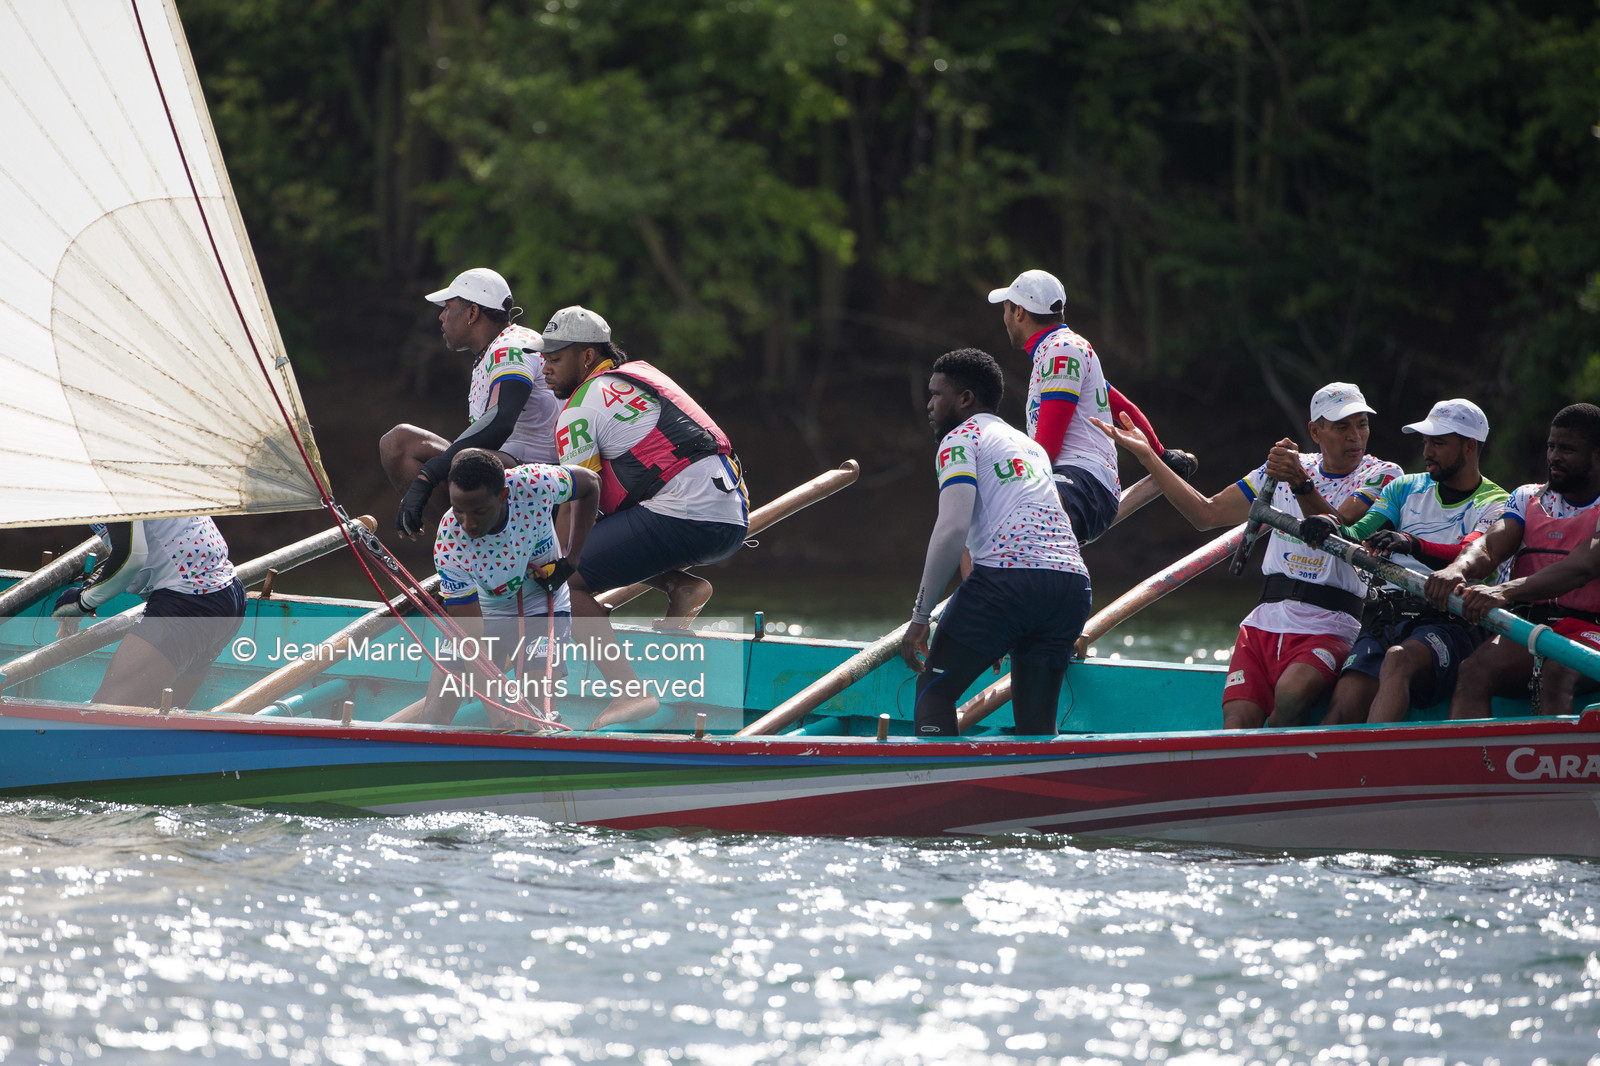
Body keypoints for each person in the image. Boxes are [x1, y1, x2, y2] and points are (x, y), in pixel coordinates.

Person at [1093, 382, 1402, 729]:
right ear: (1315, 431)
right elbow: (1204, 513)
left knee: (1290, 695)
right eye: (1342, 426)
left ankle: (1274, 771)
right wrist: (1148, 456)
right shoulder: (1288, 468)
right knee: (1236, 722)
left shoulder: (1383, 474)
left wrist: (1300, 482)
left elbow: (1337, 524)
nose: (1355, 437)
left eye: (1362, 424)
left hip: (1330, 622)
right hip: (1263, 622)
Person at [540, 305, 749, 727]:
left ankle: (628, 693)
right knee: (596, 543)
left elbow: (576, 500)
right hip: (732, 515)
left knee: (568, 581)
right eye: (543, 358)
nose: (545, 368)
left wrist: (551, 575)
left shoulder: (579, 409)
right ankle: (682, 588)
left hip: (686, 518)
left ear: (586, 357)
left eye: (556, 359)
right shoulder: (639, 376)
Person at [900, 348, 1091, 737]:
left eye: (937, 394)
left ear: (965, 398)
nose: (929, 405)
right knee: (1037, 727)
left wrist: (920, 618)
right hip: (1071, 584)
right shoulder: (1031, 447)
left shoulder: (959, 440)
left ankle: (941, 792)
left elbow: (952, 531)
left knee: (933, 695)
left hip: (1008, 584)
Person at [1298, 400, 1506, 723]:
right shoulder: (1403, 487)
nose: (1427, 451)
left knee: (1397, 660)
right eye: (1425, 442)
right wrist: (1331, 525)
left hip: (1449, 622)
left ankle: (1374, 766)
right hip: (1388, 618)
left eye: (1438, 443)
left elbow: (1468, 554)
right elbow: (1357, 533)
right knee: (1344, 702)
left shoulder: (1496, 502)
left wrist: (1411, 544)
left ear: (1469, 446)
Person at [388, 449, 600, 727]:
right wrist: (498, 720)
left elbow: (591, 484)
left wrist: (571, 560)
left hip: (541, 604)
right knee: (435, 717)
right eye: (459, 510)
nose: (468, 523)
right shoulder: (450, 544)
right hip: (484, 611)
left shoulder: (534, 482)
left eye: (479, 511)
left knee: (536, 718)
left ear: (503, 496)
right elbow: (470, 642)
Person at [988, 268, 1195, 544]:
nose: (1005, 318)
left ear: (1019, 313)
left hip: (1082, 486)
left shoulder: (1061, 351)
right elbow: (1122, 409)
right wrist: (1162, 454)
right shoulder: (1063, 348)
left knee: (997, 509)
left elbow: (1046, 448)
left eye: (1006, 308)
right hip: (1084, 486)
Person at [1424, 403, 1600, 718]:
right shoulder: (1527, 497)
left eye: (1568, 449)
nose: (1554, 457)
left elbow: (1582, 567)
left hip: (1591, 629)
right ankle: (1468, 764)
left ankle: (1552, 765)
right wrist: (1457, 569)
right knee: (1474, 670)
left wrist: (1506, 591)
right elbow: (1489, 546)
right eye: (1551, 446)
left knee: (1558, 670)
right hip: (1531, 627)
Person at [382, 268, 561, 538]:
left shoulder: (512, 345)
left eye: (448, 307)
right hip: (508, 472)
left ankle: (476, 547)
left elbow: (500, 420)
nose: (441, 316)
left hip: (541, 481)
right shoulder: (493, 351)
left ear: (472, 313)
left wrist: (426, 477)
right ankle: (471, 543)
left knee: (420, 448)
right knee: (398, 444)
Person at [51, 518, 246, 708]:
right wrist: (90, 588)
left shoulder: (116, 486)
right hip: (225, 591)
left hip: (190, 600)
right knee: (159, 720)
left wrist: (82, 602)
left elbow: (131, 558)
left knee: (104, 713)